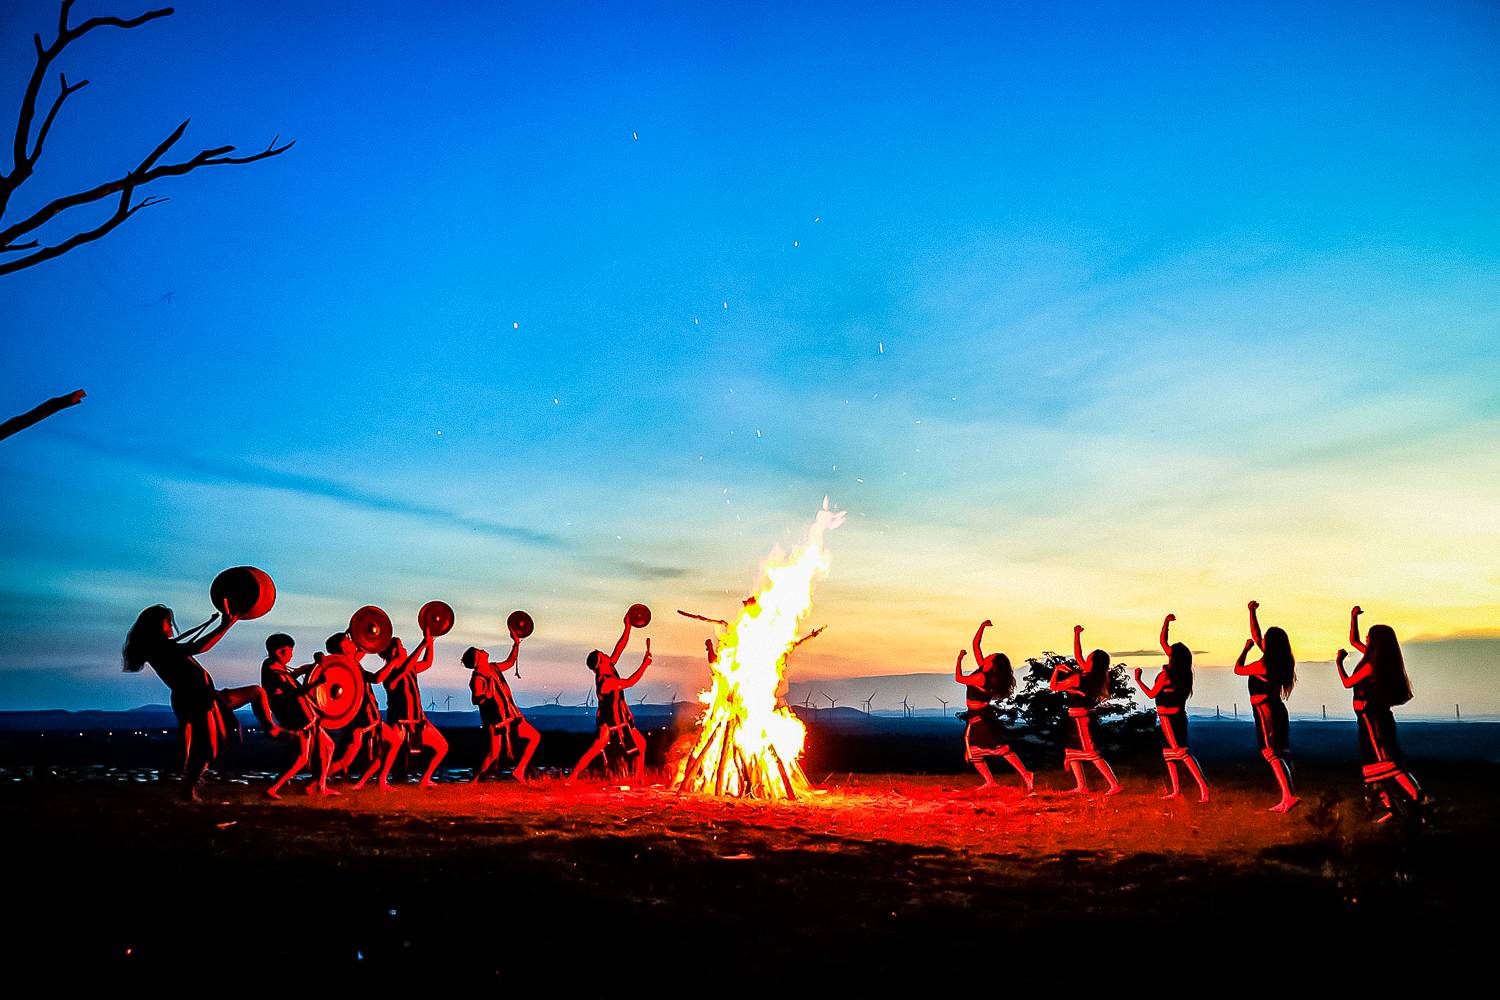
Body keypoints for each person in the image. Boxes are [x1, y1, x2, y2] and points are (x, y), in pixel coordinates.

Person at [122, 602, 283, 800]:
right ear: (157, 625)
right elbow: (199, 646)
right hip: (196, 698)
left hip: (206, 695)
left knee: (256, 693)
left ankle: (271, 729)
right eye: (167, 622)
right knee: (208, 748)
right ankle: (188, 791)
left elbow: (192, 649)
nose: (171, 626)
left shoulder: (163, 647)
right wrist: (226, 625)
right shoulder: (161, 648)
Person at [1337, 606, 1421, 821]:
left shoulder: (1371, 665)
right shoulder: (1374, 657)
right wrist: (1353, 617)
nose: (1365, 639)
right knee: (1373, 766)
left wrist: (1339, 663)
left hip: (1373, 719)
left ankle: (1419, 802)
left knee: (1389, 763)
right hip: (1368, 719)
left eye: (1369, 636)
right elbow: (1354, 640)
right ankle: (1392, 809)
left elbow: (1348, 682)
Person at [1133, 614, 1209, 801]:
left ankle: (1203, 788)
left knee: (1180, 752)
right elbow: (1163, 642)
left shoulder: (1166, 675)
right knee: (1170, 753)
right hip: (1176, 717)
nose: (1167, 652)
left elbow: (1152, 694)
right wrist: (1166, 624)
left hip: (1169, 719)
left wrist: (1138, 679)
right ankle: (1178, 790)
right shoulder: (1184, 674)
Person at [569, 612, 652, 781]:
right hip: (614, 719)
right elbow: (630, 682)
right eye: (603, 655)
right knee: (637, 745)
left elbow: (620, 647)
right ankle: (638, 779)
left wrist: (627, 627)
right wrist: (645, 664)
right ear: (600, 664)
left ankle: (638, 778)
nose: (607, 655)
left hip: (613, 716)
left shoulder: (608, 666)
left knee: (604, 747)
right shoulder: (606, 681)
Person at [953, 620, 1034, 792]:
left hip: (981, 716)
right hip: (978, 715)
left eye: (991, 656)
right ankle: (990, 781)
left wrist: (959, 659)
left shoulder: (982, 677)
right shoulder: (985, 672)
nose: (987, 655)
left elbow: (959, 678)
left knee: (998, 748)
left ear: (993, 664)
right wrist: (982, 627)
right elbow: (976, 645)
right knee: (974, 751)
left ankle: (1026, 774)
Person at [363, 629, 447, 789]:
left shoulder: (411, 667)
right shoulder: (390, 673)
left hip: (417, 720)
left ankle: (424, 779)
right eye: (400, 646)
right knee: (388, 752)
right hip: (400, 721)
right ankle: (380, 780)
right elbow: (404, 669)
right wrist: (422, 644)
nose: (404, 648)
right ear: (393, 652)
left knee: (442, 746)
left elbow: (427, 662)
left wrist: (430, 642)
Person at [1235, 600, 1298, 812]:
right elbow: (1257, 634)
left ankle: (1287, 796)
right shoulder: (1281, 661)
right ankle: (1289, 794)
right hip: (1277, 709)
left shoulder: (1263, 664)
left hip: (1265, 711)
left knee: (1270, 752)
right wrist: (1252, 612)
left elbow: (1238, 669)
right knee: (1281, 751)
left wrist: (1245, 650)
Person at [260, 633, 335, 798]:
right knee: (302, 758)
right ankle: (272, 789)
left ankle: (321, 786)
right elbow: (292, 692)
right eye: (289, 651)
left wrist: (312, 667)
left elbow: (290, 679)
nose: (291, 655)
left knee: (328, 746)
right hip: (298, 719)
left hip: (306, 716)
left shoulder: (276, 667)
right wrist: (316, 682)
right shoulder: (272, 671)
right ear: (280, 651)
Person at [1051, 624, 1122, 795]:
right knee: (1071, 751)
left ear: (1092, 663)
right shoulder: (1097, 677)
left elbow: (1054, 686)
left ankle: (1114, 785)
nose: (1085, 659)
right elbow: (1078, 655)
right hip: (1080, 717)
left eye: (1089, 658)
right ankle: (1081, 786)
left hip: (1080, 718)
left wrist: (1056, 670)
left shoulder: (1079, 678)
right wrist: (1076, 635)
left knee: (1091, 752)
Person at [465, 625, 540, 782]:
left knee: (534, 737)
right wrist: (486, 695)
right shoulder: (478, 678)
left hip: (511, 715)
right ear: (477, 659)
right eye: (479, 651)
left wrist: (516, 644)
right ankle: (475, 781)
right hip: (497, 721)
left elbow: (510, 662)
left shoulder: (493, 667)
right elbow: (475, 699)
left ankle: (519, 771)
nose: (483, 650)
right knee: (494, 753)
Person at [324, 632, 388, 781]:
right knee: (345, 761)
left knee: (391, 744)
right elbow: (376, 678)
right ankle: (316, 781)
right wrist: (393, 662)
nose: (352, 642)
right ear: (344, 647)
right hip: (363, 720)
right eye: (348, 641)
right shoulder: (348, 665)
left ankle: (372, 782)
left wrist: (360, 631)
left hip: (370, 718)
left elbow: (364, 648)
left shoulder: (352, 662)